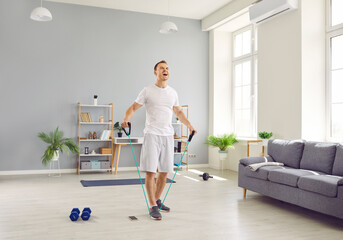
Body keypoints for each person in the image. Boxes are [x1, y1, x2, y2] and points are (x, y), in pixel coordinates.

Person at [121, 60, 197, 220]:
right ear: (155, 72)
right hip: (152, 134)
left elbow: (178, 112)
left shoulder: (173, 93)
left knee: (164, 172)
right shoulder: (147, 91)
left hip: (167, 135)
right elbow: (133, 107)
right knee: (150, 172)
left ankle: (156, 200)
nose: (165, 70)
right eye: (162, 68)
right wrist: (126, 119)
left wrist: (190, 126)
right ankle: (152, 206)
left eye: (167, 68)